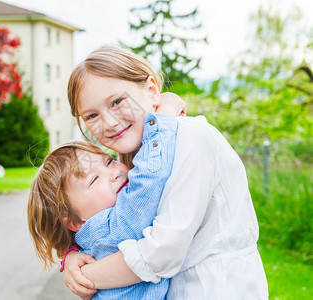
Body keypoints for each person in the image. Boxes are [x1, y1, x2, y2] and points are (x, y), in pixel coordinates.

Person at [63, 44, 269, 299]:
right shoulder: (138, 161)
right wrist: (72, 257)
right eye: (92, 116)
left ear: (151, 90)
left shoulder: (191, 138)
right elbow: (119, 227)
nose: (109, 123)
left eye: (117, 101)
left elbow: (160, 253)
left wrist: (88, 276)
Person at [28, 96, 183, 299]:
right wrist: (163, 117)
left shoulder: (99, 236)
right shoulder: (112, 226)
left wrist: (70, 253)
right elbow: (150, 181)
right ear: (75, 221)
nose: (115, 172)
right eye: (94, 179)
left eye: (109, 162)